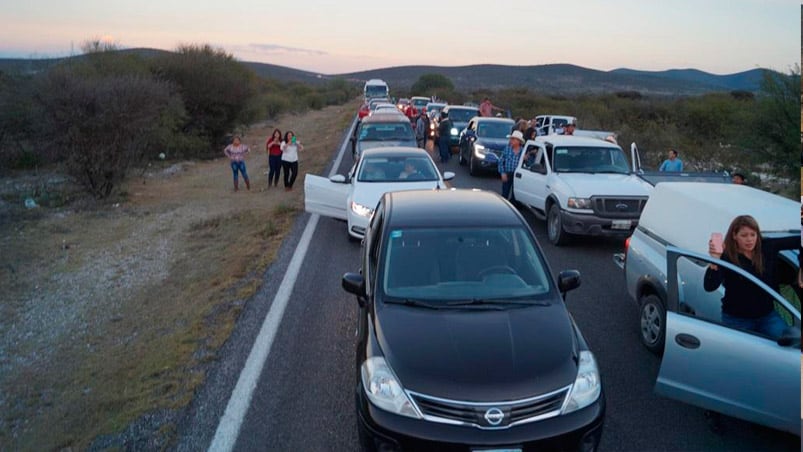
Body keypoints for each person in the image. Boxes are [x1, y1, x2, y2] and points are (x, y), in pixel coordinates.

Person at [703, 215, 787, 339]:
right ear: (734, 236)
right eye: (744, 235)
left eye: (753, 235)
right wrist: (715, 260)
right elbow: (709, 286)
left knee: (790, 344)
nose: (749, 240)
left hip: (767, 316)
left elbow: (797, 241)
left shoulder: (766, 246)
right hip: (737, 320)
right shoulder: (727, 256)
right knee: (741, 356)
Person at [498, 130, 525, 201]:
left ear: (519, 141)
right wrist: (503, 173)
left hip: (517, 175)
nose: (511, 141)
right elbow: (501, 161)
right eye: (511, 139)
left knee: (515, 195)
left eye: (513, 139)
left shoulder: (523, 151)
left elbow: (528, 164)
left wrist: (525, 159)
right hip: (507, 173)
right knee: (505, 194)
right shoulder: (507, 149)